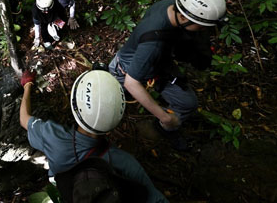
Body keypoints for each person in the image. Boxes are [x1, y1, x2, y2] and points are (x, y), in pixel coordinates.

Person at [19, 69, 168, 203]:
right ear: (110, 129)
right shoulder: (126, 163)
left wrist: (27, 85)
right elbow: (155, 198)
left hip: (65, 188)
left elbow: (24, 119)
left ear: (74, 108)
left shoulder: (52, 135)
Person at [108, 0, 227, 150]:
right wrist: (164, 117)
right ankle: (165, 127)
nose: (202, 30)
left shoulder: (170, 4)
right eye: (201, 26)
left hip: (155, 62)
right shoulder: (153, 44)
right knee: (186, 105)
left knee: (187, 103)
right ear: (184, 18)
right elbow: (131, 82)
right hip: (127, 70)